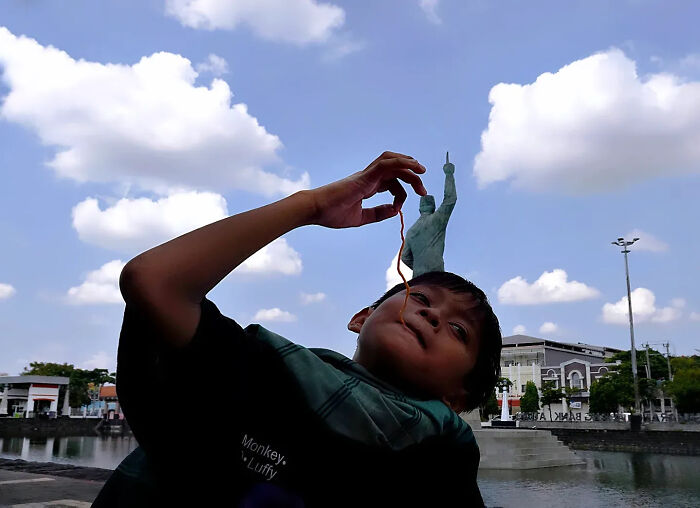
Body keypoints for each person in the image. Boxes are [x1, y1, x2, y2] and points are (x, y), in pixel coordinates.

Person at [92, 151, 502, 507]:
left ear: (459, 396)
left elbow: (448, 201)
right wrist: (311, 206)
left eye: (459, 331)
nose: (431, 315)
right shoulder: (265, 373)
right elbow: (154, 281)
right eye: (421, 298)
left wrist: (448, 176)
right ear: (361, 318)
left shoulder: (440, 461)